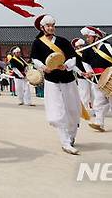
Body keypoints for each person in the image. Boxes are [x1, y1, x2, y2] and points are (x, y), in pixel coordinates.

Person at [30, 14, 81, 155]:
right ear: (42, 28)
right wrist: (43, 67)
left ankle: (71, 137)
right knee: (57, 111)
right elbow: (34, 58)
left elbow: (73, 57)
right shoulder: (37, 43)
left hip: (68, 79)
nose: (51, 28)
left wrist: (66, 65)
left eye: (53, 25)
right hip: (51, 80)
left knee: (72, 109)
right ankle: (65, 142)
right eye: (48, 25)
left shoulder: (63, 41)